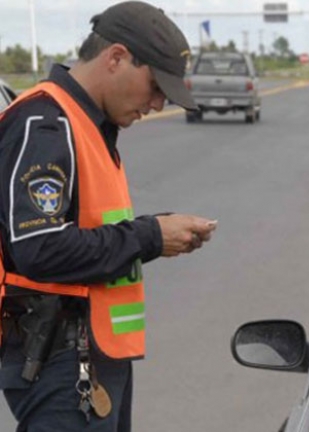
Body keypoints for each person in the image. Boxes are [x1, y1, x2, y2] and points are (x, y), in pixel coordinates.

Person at [0, 2, 216, 431]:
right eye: (156, 86)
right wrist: (149, 236)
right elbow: (38, 248)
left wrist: (154, 233)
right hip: (57, 362)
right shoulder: (45, 123)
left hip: (90, 358)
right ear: (116, 58)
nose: (157, 104)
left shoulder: (87, 124)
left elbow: (85, 230)